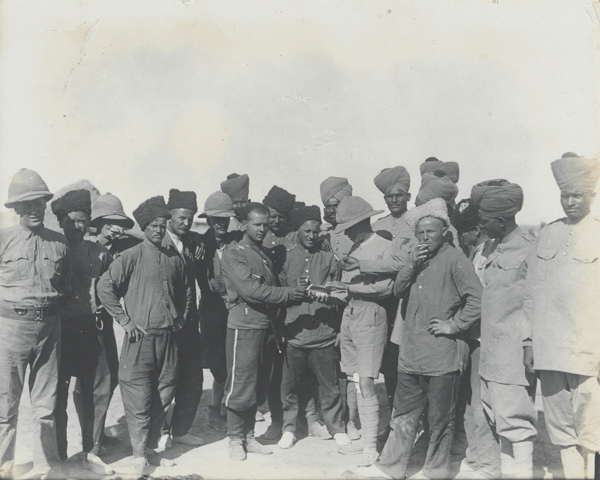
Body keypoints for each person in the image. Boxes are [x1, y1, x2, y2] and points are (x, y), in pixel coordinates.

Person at [358, 198, 482, 480]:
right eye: (421, 232)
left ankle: (435, 471)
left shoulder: (455, 260)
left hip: (442, 355)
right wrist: (411, 265)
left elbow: (476, 300)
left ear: (444, 232)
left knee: (441, 419)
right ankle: (391, 468)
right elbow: (398, 291)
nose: (426, 237)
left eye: (431, 232)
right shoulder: (417, 259)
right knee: (403, 414)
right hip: (411, 353)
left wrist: (453, 325)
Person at [97, 196, 192, 475]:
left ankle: (151, 450)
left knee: (164, 393)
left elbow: (186, 289)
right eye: (153, 226)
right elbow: (105, 288)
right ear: (144, 226)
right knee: (138, 396)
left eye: (162, 225)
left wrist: (181, 316)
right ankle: (138, 455)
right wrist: (125, 321)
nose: (158, 230)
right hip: (139, 339)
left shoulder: (174, 258)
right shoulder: (131, 256)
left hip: (168, 337)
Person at [526, 152, 600, 479]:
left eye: (577, 195)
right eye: (564, 195)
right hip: (550, 348)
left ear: (592, 196)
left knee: (592, 427)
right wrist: (529, 342)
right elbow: (531, 294)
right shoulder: (547, 233)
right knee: (560, 427)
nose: (569, 202)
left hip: (588, 349)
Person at [221, 203, 305, 461]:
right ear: (244, 224)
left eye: (265, 224)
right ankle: (234, 438)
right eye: (256, 224)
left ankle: (248, 436)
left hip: (266, 327)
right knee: (241, 384)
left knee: (258, 385)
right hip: (245, 327)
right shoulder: (234, 253)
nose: (262, 229)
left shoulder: (263, 254)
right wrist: (288, 294)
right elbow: (251, 291)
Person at [0, 169, 69, 480]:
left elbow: (65, 285)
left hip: (49, 329)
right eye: (26, 204)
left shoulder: (60, 243)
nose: (33, 209)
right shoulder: (4, 240)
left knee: (45, 406)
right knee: (5, 404)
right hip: (10, 329)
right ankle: (4, 467)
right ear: (15, 209)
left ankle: (44, 469)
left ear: (45, 204)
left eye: (38, 202)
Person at [471, 180, 537, 478]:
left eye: (485, 222)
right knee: (496, 416)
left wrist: (529, 343)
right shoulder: (488, 249)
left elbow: (535, 301)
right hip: (489, 349)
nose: (482, 227)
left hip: (512, 351)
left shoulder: (529, 251)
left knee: (516, 419)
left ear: (501, 220)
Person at [51, 189, 115, 476]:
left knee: (98, 390)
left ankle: (92, 448)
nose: (76, 228)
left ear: (90, 221)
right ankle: (60, 453)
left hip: (93, 329)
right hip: (61, 331)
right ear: (61, 221)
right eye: (70, 221)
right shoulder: (53, 247)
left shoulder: (100, 251)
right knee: (57, 394)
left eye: (82, 221)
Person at [277, 205, 351, 450]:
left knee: (330, 386)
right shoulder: (285, 256)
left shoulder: (329, 257)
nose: (311, 236)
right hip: (294, 333)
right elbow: (278, 292)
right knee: (289, 387)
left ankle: (336, 427)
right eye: (307, 231)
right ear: (297, 231)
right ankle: (289, 428)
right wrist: (292, 288)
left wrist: (328, 295)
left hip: (323, 333)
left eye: (316, 231)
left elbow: (339, 291)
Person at [327, 196, 394, 464]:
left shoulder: (384, 246)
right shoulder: (354, 247)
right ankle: (364, 435)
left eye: (351, 227)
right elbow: (345, 286)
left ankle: (370, 448)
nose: (349, 233)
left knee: (366, 381)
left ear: (364, 222)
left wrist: (349, 289)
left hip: (371, 315)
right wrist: (333, 293)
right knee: (355, 379)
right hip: (350, 315)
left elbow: (387, 288)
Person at [451, 198, 500, 477]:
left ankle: (489, 461)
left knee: (482, 400)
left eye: (463, 232)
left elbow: (479, 300)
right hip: (474, 337)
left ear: (476, 229)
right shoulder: (476, 252)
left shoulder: (486, 254)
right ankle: (475, 454)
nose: (461, 237)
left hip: (482, 337)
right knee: (471, 398)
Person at [158, 189, 205, 447]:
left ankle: (181, 430)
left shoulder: (192, 243)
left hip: (189, 321)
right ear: (169, 216)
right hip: (166, 322)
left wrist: (196, 239)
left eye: (190, 218)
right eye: (181, 218)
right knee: (166, 379)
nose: (186, 223)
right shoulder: (157, 240)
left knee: (193, 378)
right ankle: (162, 432)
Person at [196, 192, 242, 433]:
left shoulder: (238, 242)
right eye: (217, 219)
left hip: (235, 308)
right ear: (209, 220)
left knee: (233, 360)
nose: (221, 224)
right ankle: (219, 408)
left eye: (225, 219)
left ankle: (225, 408)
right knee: (217, 363)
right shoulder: (199, 244)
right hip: (212, 310)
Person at [371, 166, 413, 413]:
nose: (394, 200)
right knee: (390, 359)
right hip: (385, 299)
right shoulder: (378, 226)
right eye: (389, 196)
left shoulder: (418, 222)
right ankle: (395, 411)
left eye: (399, 195)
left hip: (410, 297)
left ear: (408, 196)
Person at [259, 185, 297, 440]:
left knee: (295, 367)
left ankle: (300, 420)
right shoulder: (258, 236)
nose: (276, 220)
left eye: (281, 216)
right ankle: (276, 419)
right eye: (272, 214)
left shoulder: (295, 236)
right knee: (272, 370)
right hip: (269, 311)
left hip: (293, 308)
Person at [319, 176, 354, 259]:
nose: (331, 210)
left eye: (336, 206)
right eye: (328, 206)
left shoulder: (356, 234)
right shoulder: (321, 236)